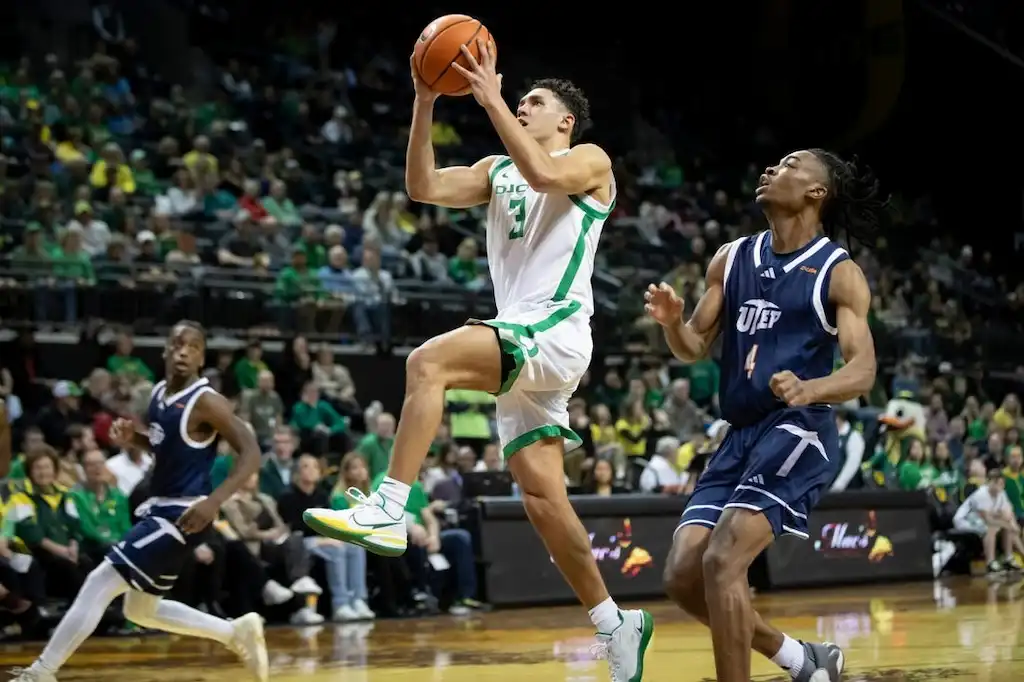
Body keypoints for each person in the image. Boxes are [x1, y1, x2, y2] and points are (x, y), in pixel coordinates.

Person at [304, 40, 653, 680]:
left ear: (565, 121)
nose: (521, 105)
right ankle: (615, 621)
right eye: (518, 100)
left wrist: (488, 96)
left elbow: (546, 176)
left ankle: (388, 505)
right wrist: (425, 100)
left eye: (534, 102)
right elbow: (422, 185)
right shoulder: (497, 170)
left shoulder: (588, 160)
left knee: (428, 362)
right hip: (525, 343)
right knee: (544, 500)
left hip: (553, 329)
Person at [647, 150, 883, 682]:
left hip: (799, 429)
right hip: (738, 435)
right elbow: (692, 347)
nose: (771, 170)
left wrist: (811, 387)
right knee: (683, 576)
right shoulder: (730, 258)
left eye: (789, 166)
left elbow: (863, 370)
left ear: (817, 192)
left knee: (722, 559)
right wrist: (673, 323)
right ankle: (802, 660)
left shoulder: (838, 272)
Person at [13, 322, 268, 682]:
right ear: (164, 350)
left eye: (193, 347)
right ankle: (234, 632)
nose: (183, 351)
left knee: (100, 580)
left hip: (184, 513)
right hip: (160, 506)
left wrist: (214, 502)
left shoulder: (208, 401)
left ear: (201, 357)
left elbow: (252, 453)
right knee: (142, 609)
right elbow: (169, 448)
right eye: (177, 344)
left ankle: (41, 672)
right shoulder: (159, 392)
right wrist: (135, 438)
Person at [953, 468, 1024, 574]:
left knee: (1008, 528)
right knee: (991, 528)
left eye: (1000, 483)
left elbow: (1008, 514)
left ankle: (1008, 559)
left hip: (979, 520)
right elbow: (988, 519)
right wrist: (1008, 525)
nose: (997, 486)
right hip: (965, 520)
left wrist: (1013, 525)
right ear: (988, 482)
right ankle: (990, 562)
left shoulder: (1001, 494)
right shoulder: (982, 494)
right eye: (995, 482)